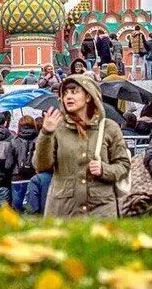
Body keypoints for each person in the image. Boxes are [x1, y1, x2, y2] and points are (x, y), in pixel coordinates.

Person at [34, 74, 130, 218]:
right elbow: (41, 165)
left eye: (74, 92)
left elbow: (123, 165)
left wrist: (104, 169)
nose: (68, 97)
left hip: (101, 209)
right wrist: (46, 133)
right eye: (65, 93)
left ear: (88, 96)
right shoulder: (57, 127)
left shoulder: (109, 127)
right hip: (63, 210)